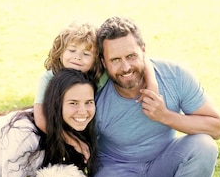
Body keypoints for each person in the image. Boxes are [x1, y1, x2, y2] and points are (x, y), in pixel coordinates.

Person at [93, 16, 220, 177]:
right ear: (103, 61)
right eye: (115, 60)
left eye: (131, 56)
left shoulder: (174, 75)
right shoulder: (96, 91)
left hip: (163, 161)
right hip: (116, 166)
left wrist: (165, 116)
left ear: (143, 50)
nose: (125, 67)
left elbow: (216, 127)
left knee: (205, 146)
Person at [33, 21, 157, 162]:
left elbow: (143, 57)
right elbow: (41, 119)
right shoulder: (49, 77)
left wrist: (152, 85)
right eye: (72, 50)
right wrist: (72, 141)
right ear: (60, 51)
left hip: (87, 131)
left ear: (98, 60)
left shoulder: (99, 76)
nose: (77, 57)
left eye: (86, 53)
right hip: (54, 133)